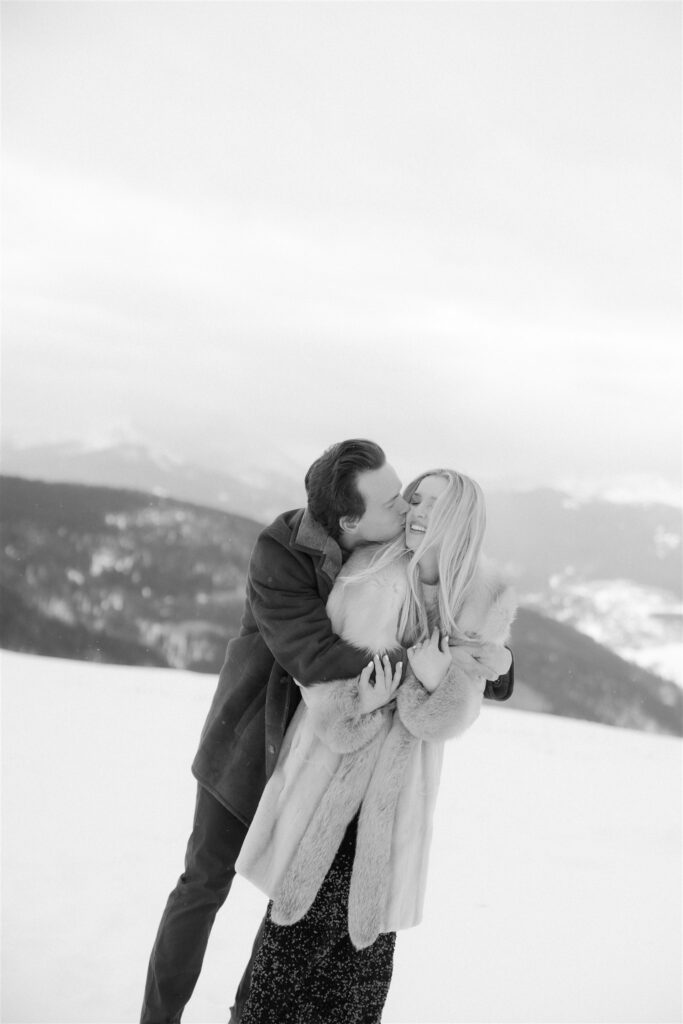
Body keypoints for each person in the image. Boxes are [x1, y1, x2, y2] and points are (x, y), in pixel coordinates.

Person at [140, 442, 513, 1023]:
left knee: (299, 912)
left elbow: (455, 600)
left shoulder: (389, 550)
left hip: (323, 752)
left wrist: (484, 663)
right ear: (349, 522)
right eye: (396, 500)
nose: (406, 507)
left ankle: (248, 1011)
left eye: (407, 493)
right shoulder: (282, 555)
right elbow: (315, 656)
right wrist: (428, 671)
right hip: (251, 743)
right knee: (205, 883)